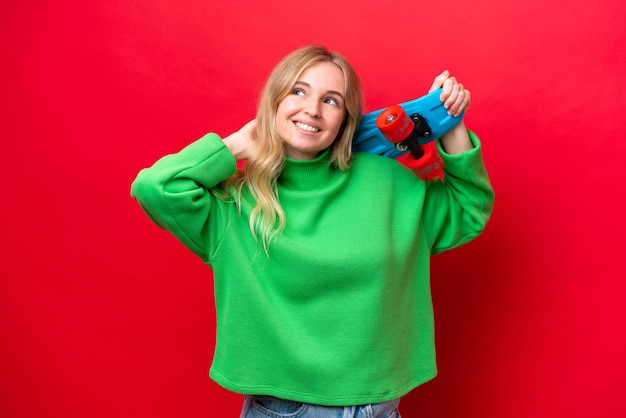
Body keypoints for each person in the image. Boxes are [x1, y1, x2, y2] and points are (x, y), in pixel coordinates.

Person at [131, 45, 494, 418]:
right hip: (285, 409)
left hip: (380, 407)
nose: (313, 109)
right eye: (298, 91)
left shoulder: (387, 182)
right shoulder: (234, 203)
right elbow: (155, 187)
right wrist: (238, 143)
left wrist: (451, 122)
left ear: (344, 121)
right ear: (274, 100)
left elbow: (469, 210)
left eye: (331, 100)